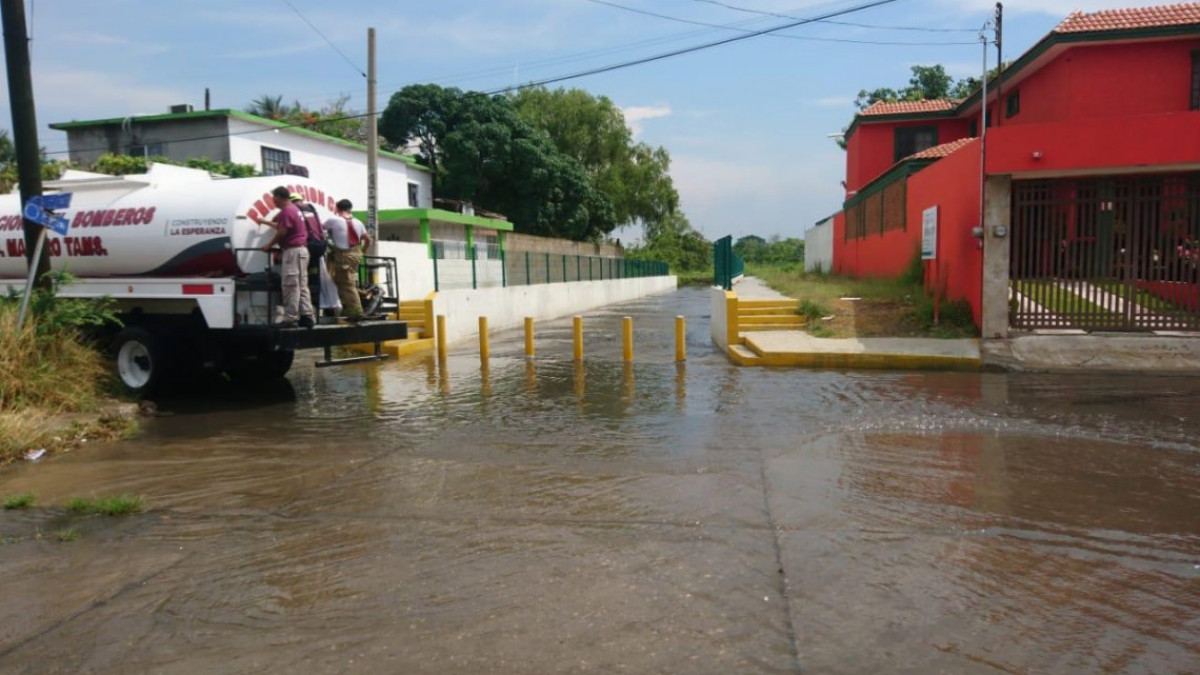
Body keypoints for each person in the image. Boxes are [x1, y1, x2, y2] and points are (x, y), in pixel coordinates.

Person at [256, 186, 314, 328]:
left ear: (279, 197)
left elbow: (282, 231)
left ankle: (290, 318)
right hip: (301, 251)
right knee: (301, 284)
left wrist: (269, 245)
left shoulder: (286, 211)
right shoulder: (294, 209)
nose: (273, 202)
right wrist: (264, 221)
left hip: (293, 251)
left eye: (274, 199)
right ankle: (307, 316)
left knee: (290, 284)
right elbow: (281, 226)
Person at [289, 193, 341, 318]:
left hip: (306, 249)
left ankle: (307, 309)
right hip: (319, 248)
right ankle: (324, 306)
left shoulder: (293, 209)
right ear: (301, 199)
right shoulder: (311, 208)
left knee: (302, 279)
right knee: (318, 276)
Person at [322, 198, 371, 322]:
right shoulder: (358, 222)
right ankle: (360, 296)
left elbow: (320, 229)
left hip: (344, 255)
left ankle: (356, 312)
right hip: (356, 253)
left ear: (337, 208)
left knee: (346, 284)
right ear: (350, 209)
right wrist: (363, 252)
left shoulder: (334, 220)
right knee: (341, 279)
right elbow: (368, 239)